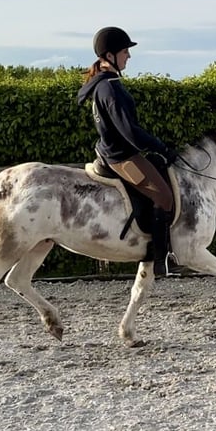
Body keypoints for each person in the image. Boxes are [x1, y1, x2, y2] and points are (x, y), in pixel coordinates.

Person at [77, 26, 179, 276]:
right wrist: (161, 147)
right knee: (164, 197)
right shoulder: (109, 87)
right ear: (110, 55)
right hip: (121, 157)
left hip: (114, 151)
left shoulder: (103, 83)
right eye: (125, 52)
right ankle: (159, 258)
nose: (128, 57)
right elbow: (130, 132)